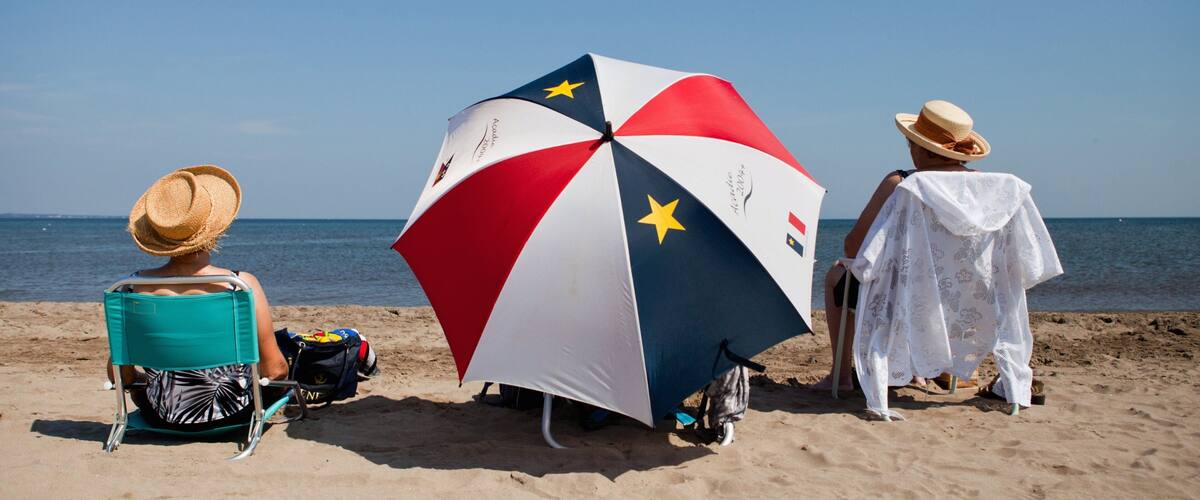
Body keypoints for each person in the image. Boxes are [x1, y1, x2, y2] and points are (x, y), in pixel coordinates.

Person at [811, 100, 990, 393]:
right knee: (916, 286)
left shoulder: (902, 183)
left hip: (901, 296)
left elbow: (854, 245)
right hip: (959, 295)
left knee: (837, 276)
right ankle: (917, 369)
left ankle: (840, 376)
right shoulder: (982, 187)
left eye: (910, 144)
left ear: (920, 148)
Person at [106, 165, 289, 431]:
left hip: (162, 414)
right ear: (213, 229)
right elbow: (275, 370)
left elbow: (119, 375)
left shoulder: (132, 288)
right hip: (234, 412)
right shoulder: (239, 285)